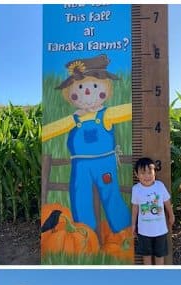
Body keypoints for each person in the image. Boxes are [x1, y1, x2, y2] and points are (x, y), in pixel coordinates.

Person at [42, 54, 132, 236]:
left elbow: (131, 110)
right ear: (71, 95)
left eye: (94, 86)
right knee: (80, 195)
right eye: (81, 87)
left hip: (104, 163)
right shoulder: (72, 119)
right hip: (80, 165)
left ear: (105, 91)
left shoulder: (107, 114)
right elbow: (48, 131)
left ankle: (124, 232)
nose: (87, 92)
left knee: (111, 194)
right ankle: (85, 234)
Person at [131, 157, 175, 265]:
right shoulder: (136, 189)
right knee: (146, 255)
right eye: (142, 173)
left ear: (155, 172)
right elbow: (135, 208)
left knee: (159, 255)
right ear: (136, 174)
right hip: (144, 231)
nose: (147, 176)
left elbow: (167, 202)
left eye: (150, 172)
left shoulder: (160, 186)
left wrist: (171, 214)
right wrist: (133, 224)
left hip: (160, 230)